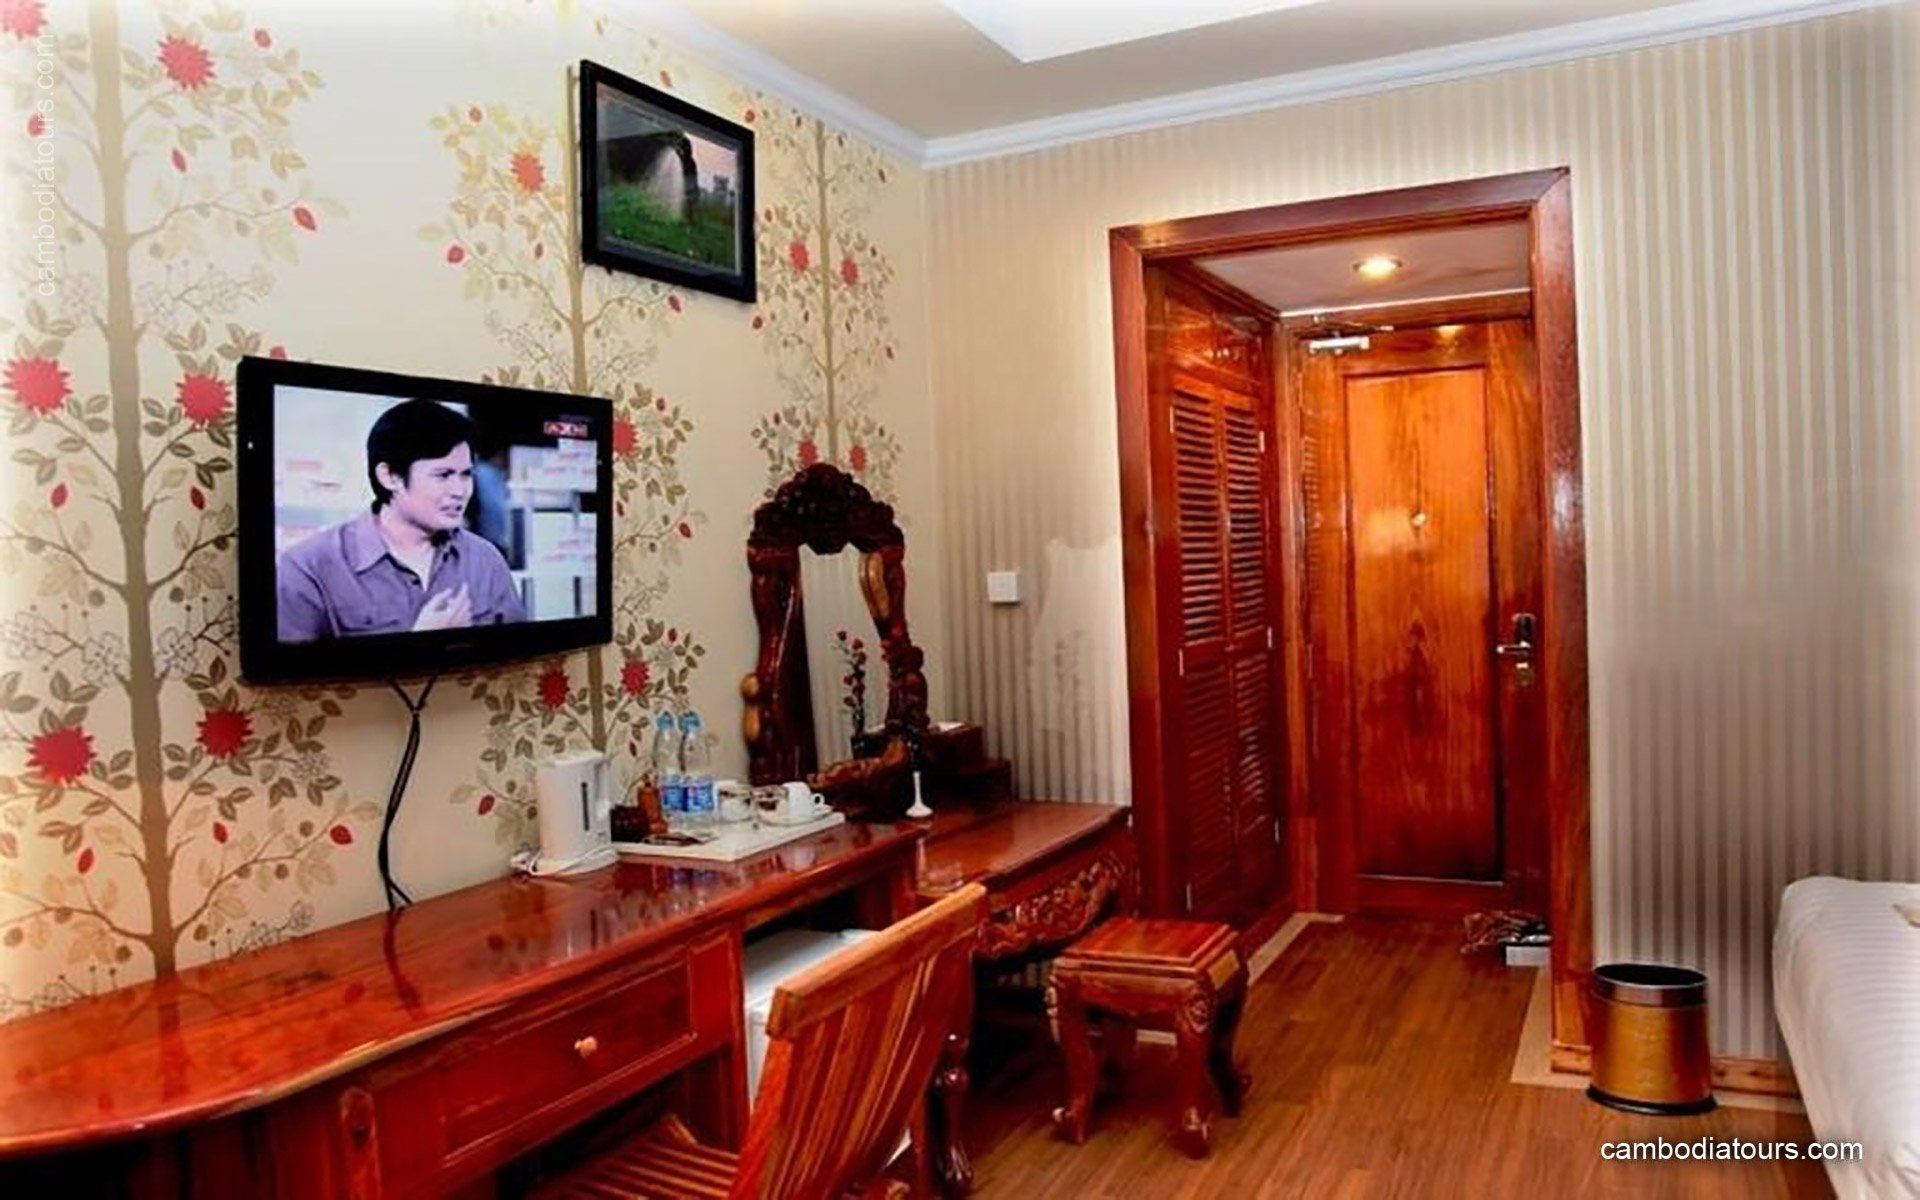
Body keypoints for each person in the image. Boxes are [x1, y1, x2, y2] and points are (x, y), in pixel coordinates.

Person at [277, 400, 526, 643]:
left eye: (466, 475)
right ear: (390, 477)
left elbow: (519, 658)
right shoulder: (308, 568)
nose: (459, 491)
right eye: (443, 475)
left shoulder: (484, 559)